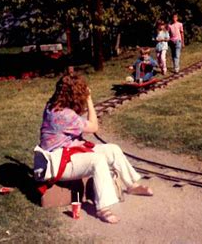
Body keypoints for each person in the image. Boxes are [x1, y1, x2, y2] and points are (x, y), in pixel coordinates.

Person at [37, 73, 153, 224]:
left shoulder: (53, 105)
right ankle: (102, 207)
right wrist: (89, 100)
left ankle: (132, 185)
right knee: (97, 161)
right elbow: (94, 126)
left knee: (112, 149)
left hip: (66, 153)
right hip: (57, 163)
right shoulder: (64, 115)